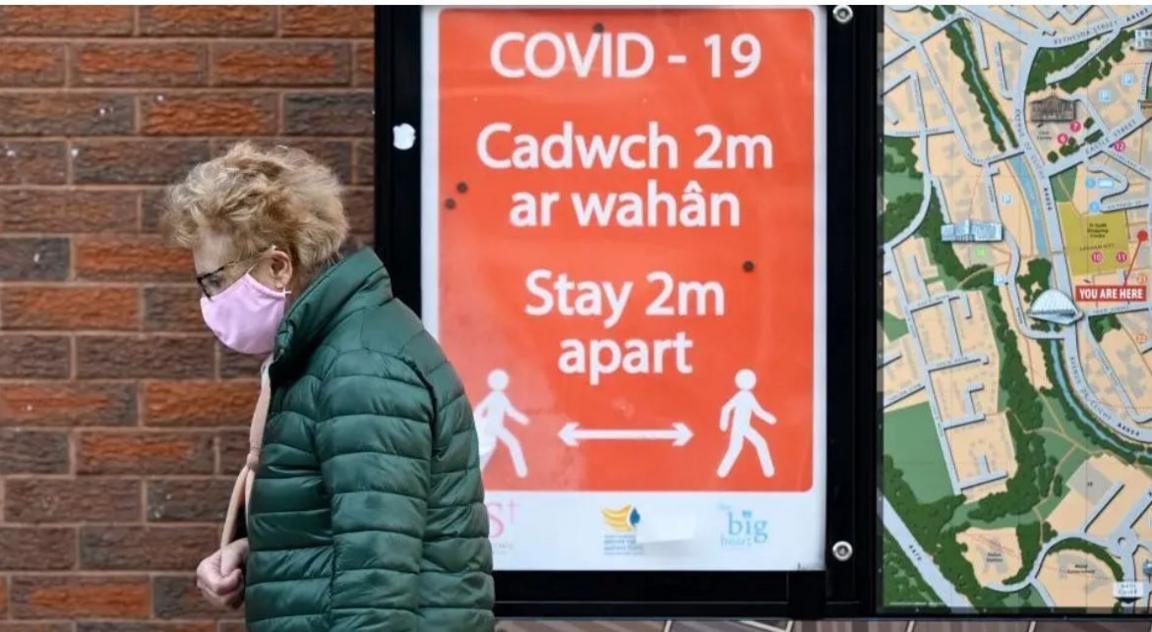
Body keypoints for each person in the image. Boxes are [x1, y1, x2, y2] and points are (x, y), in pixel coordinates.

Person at [162, 142, 494, 631]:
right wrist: (259, 552)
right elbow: (353, 535)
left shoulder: (360, 369)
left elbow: (378, 582)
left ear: (278, 267)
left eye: (214, 280)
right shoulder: (335, 350)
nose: (208, 301)